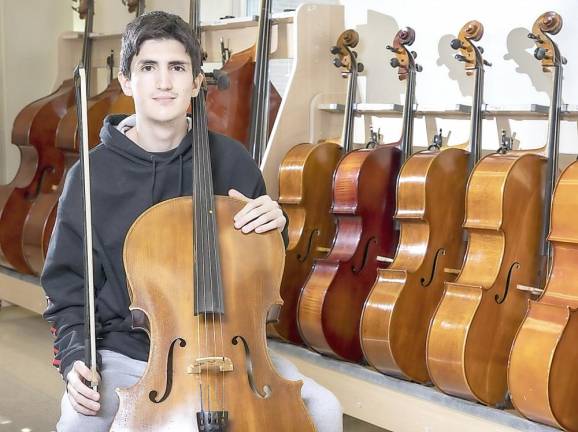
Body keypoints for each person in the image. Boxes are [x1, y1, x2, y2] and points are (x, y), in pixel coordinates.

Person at [42, 10, 342, 432]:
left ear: (197, 82)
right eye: (148, 67)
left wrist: (277, 227)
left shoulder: (231, 160)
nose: (164, 82)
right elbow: (68, 291)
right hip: (129, 353)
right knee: (79, 422)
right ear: (127, 81)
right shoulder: (91, 176)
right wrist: (75, 361)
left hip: (231, 345)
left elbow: (262, 263)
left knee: (324, 408)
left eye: (178, 68)